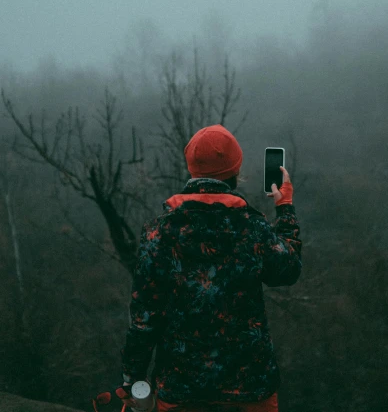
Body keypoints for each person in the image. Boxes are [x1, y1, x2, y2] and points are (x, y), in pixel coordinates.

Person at [119, 124, 301, 412]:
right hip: (251, 387)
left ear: (192, 169)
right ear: (235, 170)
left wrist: (133, 379)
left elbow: (145, 317)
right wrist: (285, 206)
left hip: (181, 388)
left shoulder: (160, 232)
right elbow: (288, 270)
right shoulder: (252, 226)